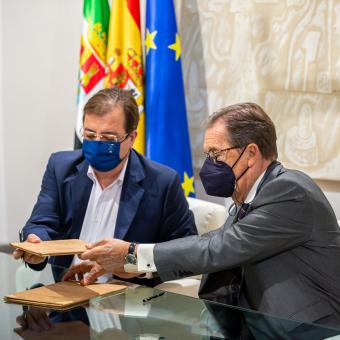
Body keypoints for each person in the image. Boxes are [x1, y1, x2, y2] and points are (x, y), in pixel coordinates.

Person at [67, 103, 340, 327]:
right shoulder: (247, 197)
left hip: (307, 331)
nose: (209, 165)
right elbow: (217, 249)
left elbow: (217, 249)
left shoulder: (289, 191)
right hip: (253, 325)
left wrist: (133, 256)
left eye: (215, 154)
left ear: (251, 154)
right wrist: (130, 267)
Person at [13, 87, 197, 286]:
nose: (97, 143)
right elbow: (41, 221)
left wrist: (134, 262)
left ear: (132, 138)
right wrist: (35, 242)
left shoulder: (162, 182)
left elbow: (187, 253)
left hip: (127, 301)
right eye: (90, 135)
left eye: (109, 138)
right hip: (67, 294)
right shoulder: (61, 167)